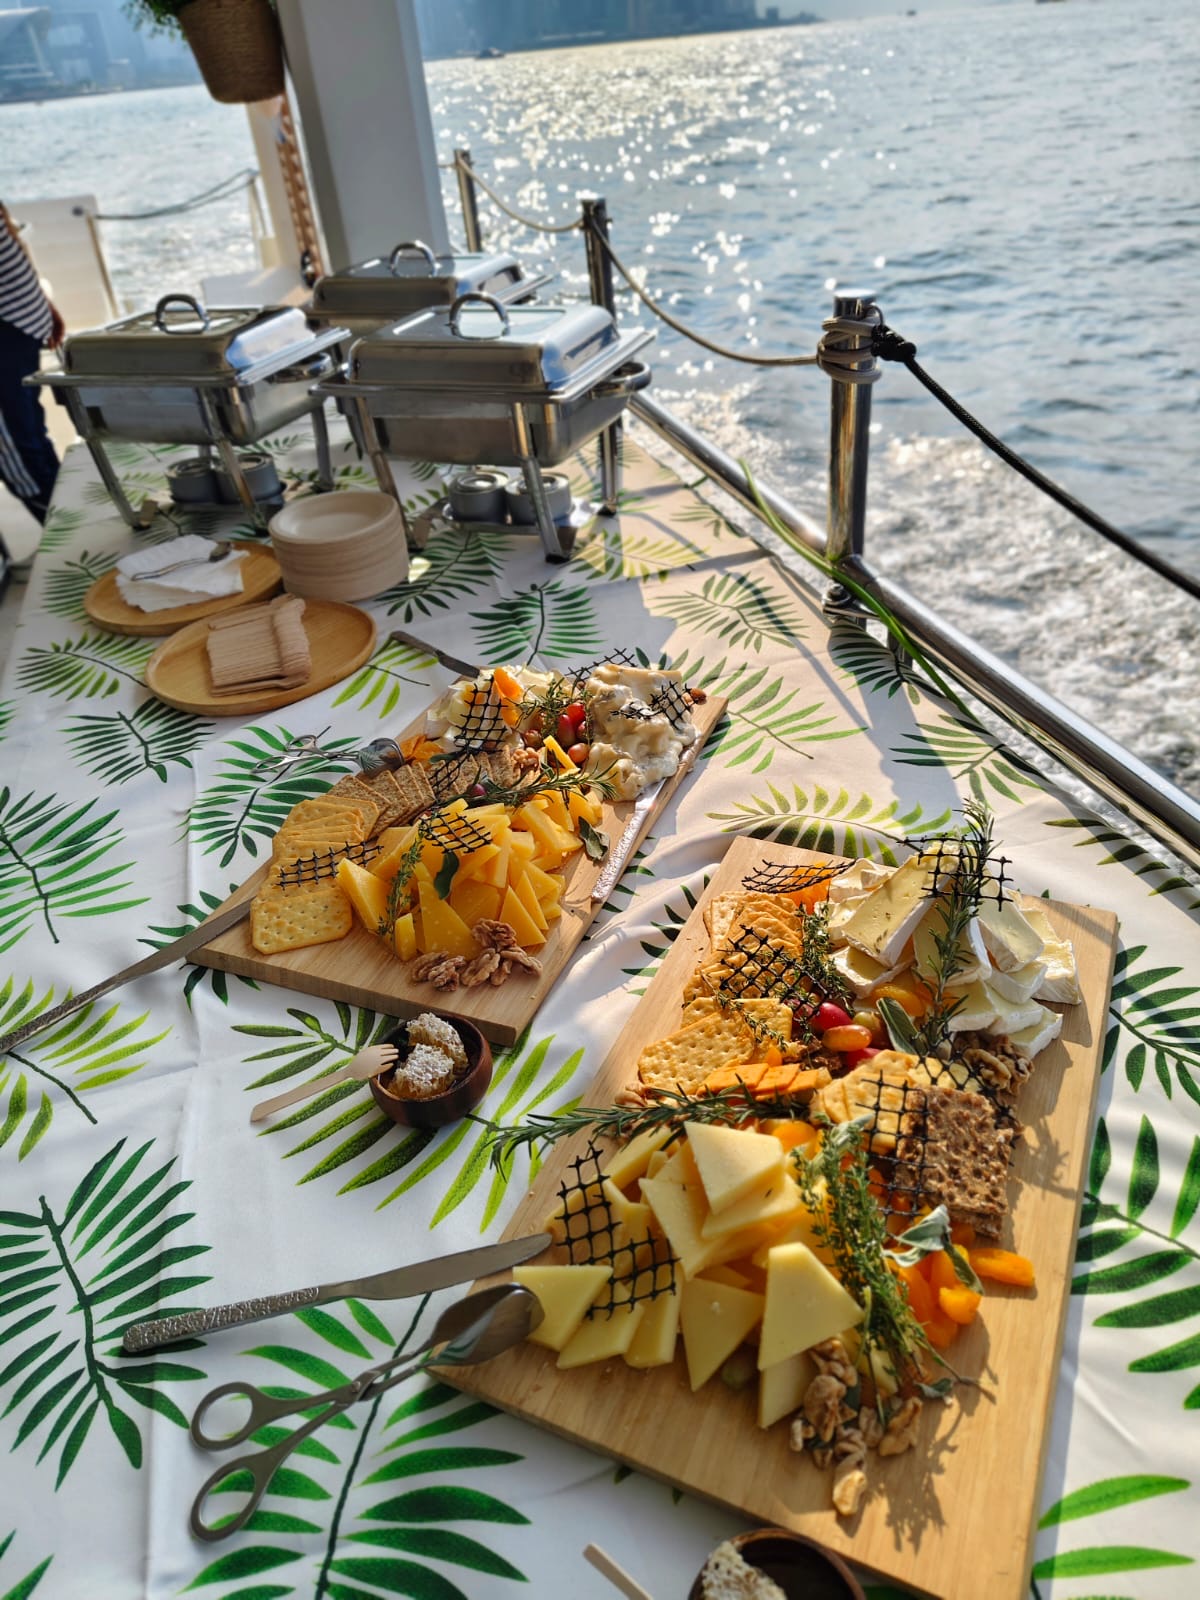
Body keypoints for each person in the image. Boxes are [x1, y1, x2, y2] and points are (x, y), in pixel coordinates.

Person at [0, 201, 64, 525]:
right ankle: (67, 523)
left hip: (13, 321)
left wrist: (41, 302)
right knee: (29, 435)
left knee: (17, 446)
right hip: (21, 315)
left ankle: (63, 530)